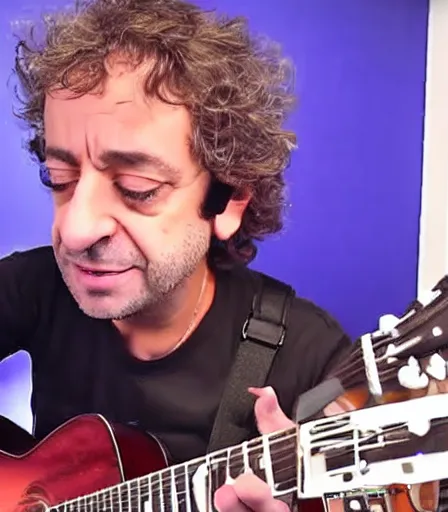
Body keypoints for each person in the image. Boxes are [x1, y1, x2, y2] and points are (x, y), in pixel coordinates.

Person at [2, 0, 352, 510]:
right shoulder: (33, 289)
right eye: (60, 179)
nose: (75, 230)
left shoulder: (312, 358)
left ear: (229, 200)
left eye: (137, 188)